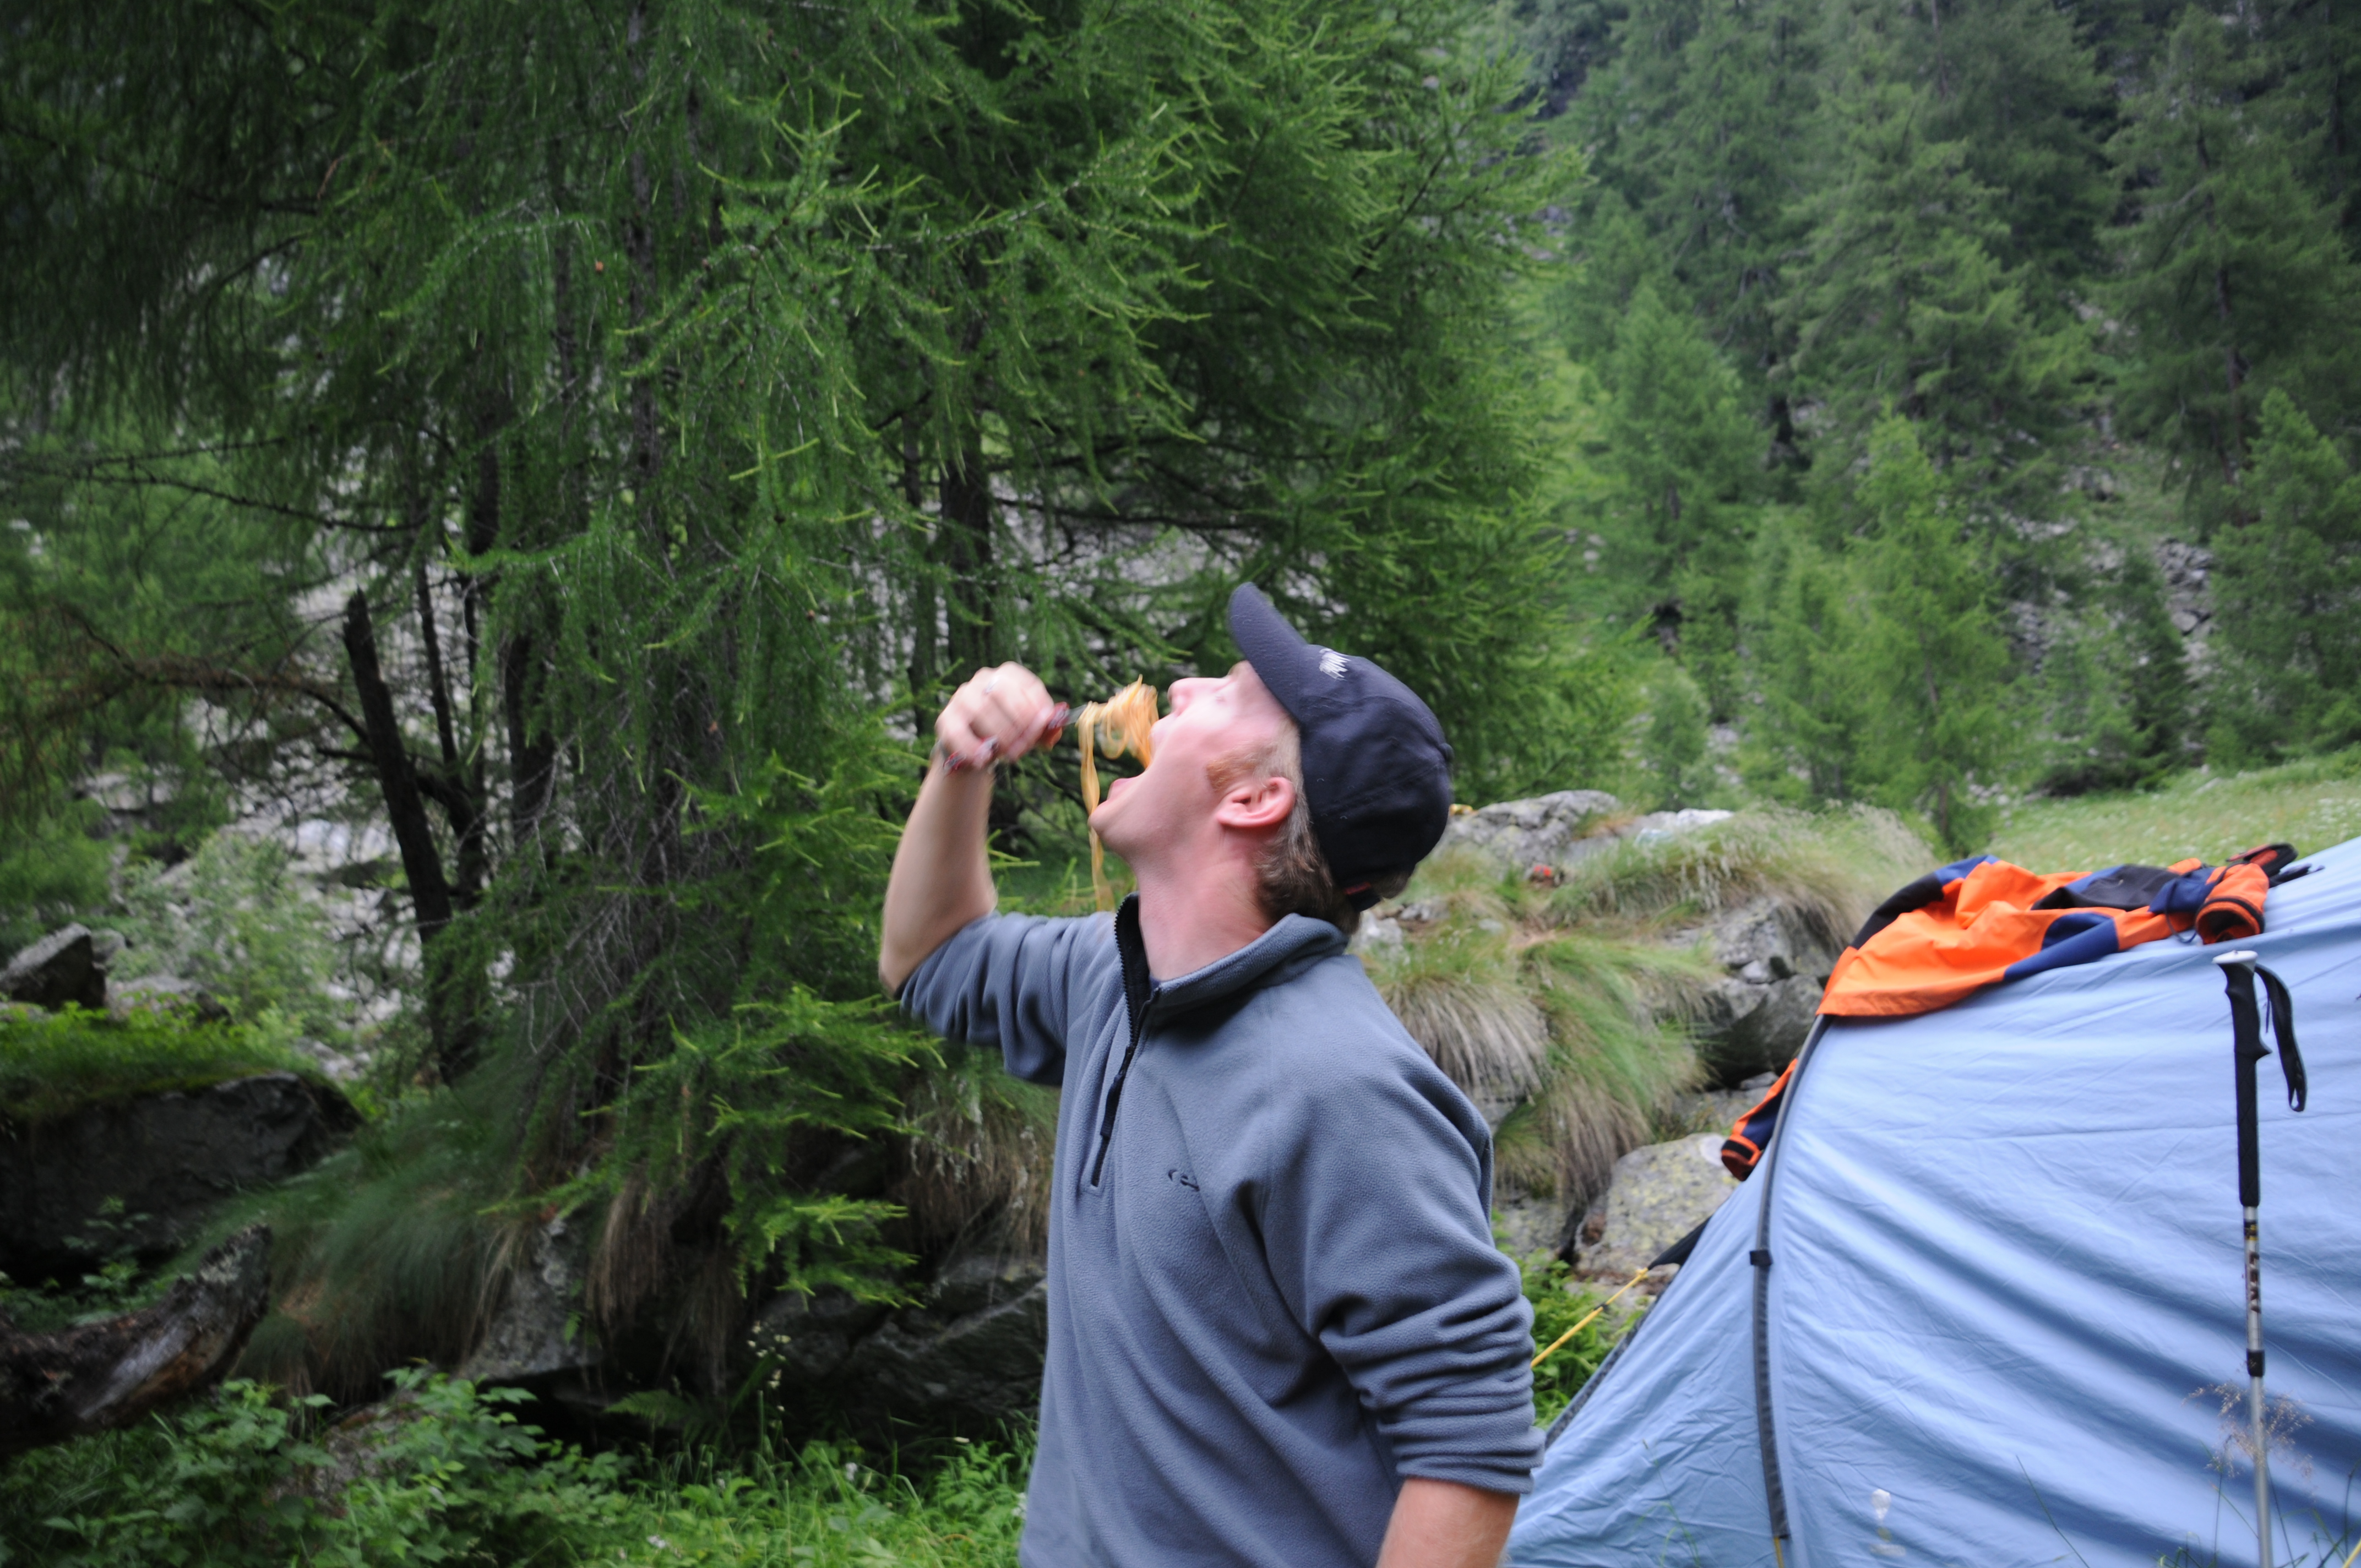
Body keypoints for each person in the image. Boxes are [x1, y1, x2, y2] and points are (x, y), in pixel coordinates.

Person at [880, 585, 1540, 1568]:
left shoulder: (1340, 1086)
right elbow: (930, 957)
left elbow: (1469, 1444)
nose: (1179, 688)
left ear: (1254, 799)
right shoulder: (1114, 979)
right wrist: (960, 763)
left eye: (1227, 693)